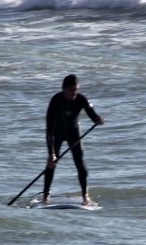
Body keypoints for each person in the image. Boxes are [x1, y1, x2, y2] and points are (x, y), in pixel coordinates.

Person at [43, 74, 105, 205]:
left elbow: (92, 113)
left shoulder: (81, 99)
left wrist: (97, 119)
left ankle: (85, 196)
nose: (74, 93)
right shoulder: (56, 101)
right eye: (71, 90)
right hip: (57, 134)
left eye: (76, 89)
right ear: (64, 89)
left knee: (80, 163)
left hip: (74, 133)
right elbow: (49, 129)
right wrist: (51, 153)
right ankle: (45, 196)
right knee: (51, 164)